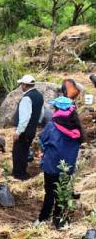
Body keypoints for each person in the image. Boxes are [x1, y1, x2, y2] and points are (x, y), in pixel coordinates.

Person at [37, 97, 84, 228]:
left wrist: (43, 151)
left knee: (50, 192)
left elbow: (43, 140)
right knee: (62, 192)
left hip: (51, 164)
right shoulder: (77, 128)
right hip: (67, 167)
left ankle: (42, 219)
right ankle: (58, 219)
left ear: (57, 109)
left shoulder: (52, 125)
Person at [12, 75, 44, 181]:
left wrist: (18, 131)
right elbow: (41, 113)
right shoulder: (39, 96)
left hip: (24, 130)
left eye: (22, 84)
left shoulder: (27, 98)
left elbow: (24, 118)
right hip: (32, 129)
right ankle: (22, 172)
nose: (21, 86)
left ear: (25, 85)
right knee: (25, 151)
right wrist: (36, 123)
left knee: (18, 152)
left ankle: (19, 174)